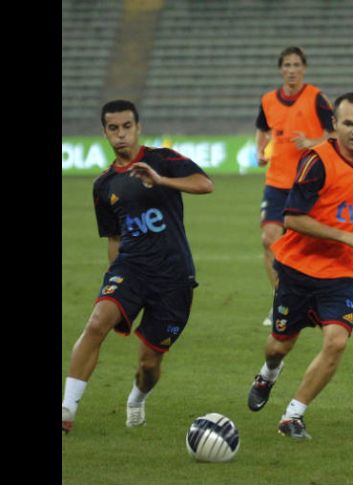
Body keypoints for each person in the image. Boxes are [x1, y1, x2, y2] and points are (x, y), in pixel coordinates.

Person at [246, 93, 353, 440]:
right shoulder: (317, 162)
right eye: (348, 123)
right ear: (334, 126)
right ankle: (268, 374)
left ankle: (293, 415)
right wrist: (348, 236)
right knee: (278, 346)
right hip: (298, 269)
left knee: (337, 341)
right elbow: (293, 218)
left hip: (344, 274)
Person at [61, 100, 214, 433]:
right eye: (113, 129)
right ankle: (66, 410)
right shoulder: (103, 186)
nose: (121, 135)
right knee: (97, 321)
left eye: (126, 127)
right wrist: (111, 283)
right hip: (130, 269)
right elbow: (113, 238)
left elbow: (205, 184)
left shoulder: (163, 160)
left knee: (148, 363)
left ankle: (137, 399)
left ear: (138, 127)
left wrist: (161, 181)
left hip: (174, 276)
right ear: (105, 132)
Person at [255, 46, 334, 326]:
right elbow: (263, 128)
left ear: (304, 68)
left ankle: (315, 302)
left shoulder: (317, 99)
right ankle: (281, 301)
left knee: (309, 246)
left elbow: (335, 133)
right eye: (286, 64)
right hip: (276, 182)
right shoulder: (268, 100)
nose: (291, 69)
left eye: (296, 64)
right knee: (269, 239)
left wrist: (312, 142)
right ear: (280, 69)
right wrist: (260, 150)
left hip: (307, 183)